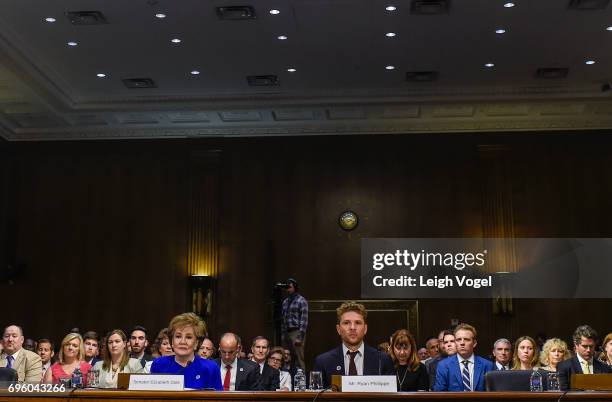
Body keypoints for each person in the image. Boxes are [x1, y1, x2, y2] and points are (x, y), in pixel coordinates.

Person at [313, 301, 394, 388]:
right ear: (338, 329)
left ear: (365, 329)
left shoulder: (382, 360)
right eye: (346, 323)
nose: (352, 327)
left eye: (358, 323)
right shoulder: (323, 362)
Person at [151, 312, 222, 390]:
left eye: (188, 337)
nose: (182, 342)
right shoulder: (159, 364)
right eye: (178, 336)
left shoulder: (210, 368)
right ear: (172, 341)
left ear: (196, 343)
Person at [433, 323, 494, 391]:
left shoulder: (487, 365)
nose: (462, 343)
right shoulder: (443, 365)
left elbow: (492, 393)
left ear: (474, 343)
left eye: (466, 339)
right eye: (458, 340)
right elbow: (440, 393)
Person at [558, 325, 612, 390]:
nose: (588, 350)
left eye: (591, 346)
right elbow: (562, 393)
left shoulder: (604, 368)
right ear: (576, 345)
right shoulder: (564, 367)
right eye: (585, 346)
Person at [281, 278, 308, 371]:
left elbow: (304, 320)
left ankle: (302, 382)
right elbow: (283, 319)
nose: (288, 288)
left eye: (290, 286)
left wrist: (300, 336)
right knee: (285, 357)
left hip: (296, 331)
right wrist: (283, 334)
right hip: (286, 332)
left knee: (299, 358)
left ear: (295, 287)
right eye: (286, 286)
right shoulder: (285, 302)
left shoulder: (301, 300)